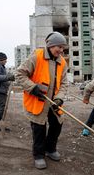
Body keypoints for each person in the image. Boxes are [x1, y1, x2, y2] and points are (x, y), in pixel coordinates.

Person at [15, 32, 68, 170]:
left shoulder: (62, 62)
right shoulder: (36, 56)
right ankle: (38, 155)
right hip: (38, 100)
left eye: (63, 48)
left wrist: (59, 98)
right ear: (50, 45)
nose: (61, 50)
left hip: (53, 101)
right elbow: (19, 74)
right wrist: (32, 87)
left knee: (57, 125)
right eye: (59, 47)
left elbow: (64, 83)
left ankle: (50, 149)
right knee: (39, 129)